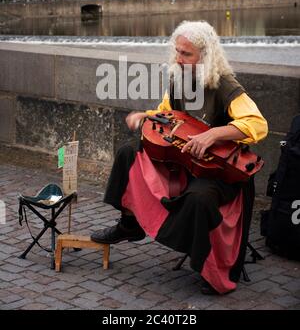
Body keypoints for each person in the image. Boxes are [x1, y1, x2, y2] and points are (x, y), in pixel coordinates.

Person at [91, 20, 268, 294]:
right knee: (129, 152)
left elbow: (258, 125)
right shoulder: (179, 79)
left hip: (217, 170)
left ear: (205, 56)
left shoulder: (224, 85)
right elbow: (166, 113)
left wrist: (213, 135)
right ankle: (130, 224)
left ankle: (209, 268)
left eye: (186, 54)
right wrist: (145, 116)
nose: (179, 59)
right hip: (184, 160)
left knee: (199, 199)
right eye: (177, 51)